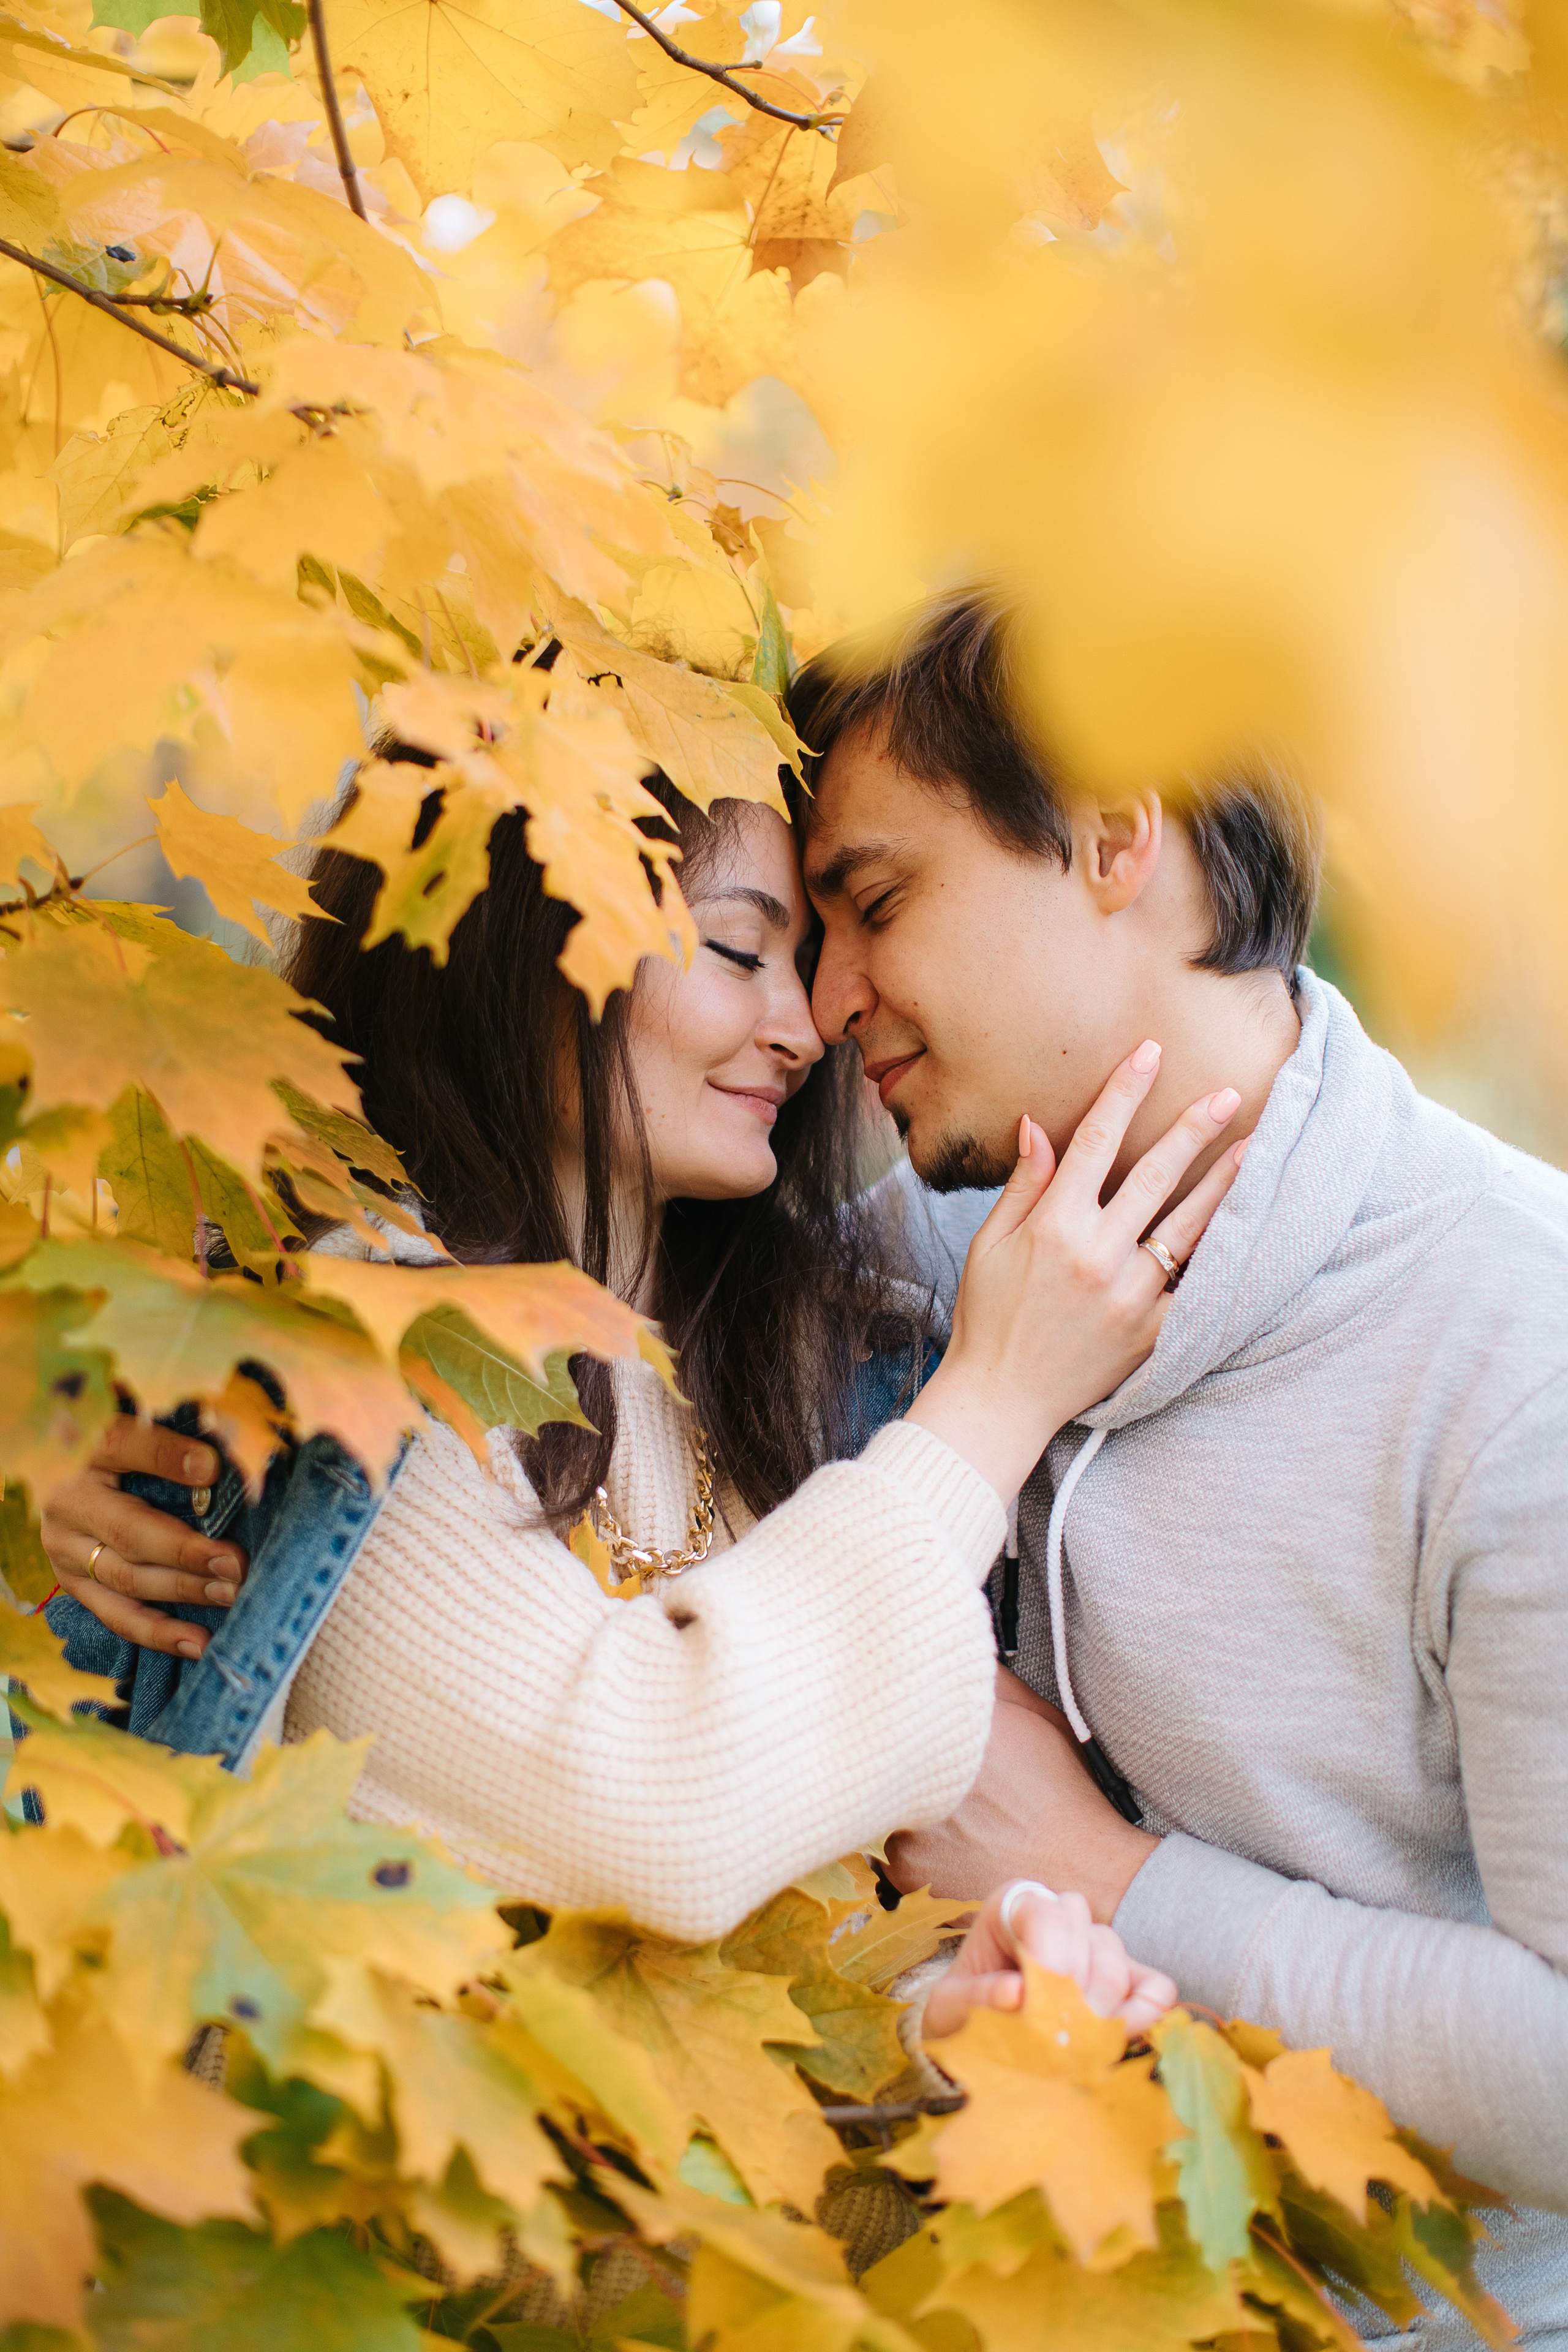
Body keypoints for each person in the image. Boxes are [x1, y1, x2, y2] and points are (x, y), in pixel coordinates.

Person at [33, 754, 1240, 2026]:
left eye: (819, 955)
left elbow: (689, 2014)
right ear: (520, 941)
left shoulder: (798, 1363)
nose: (806, 1024)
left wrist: (934, 2029)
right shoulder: (349, 1354)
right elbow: (651, 1806)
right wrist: (992, 1405)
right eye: (735, 952)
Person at [788, 588, 1568, 2335]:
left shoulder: (1523, 1351)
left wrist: (1114, 1878)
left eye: (880, 903)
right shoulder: (902, 1266)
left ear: (1116, 836)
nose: (829, 996)